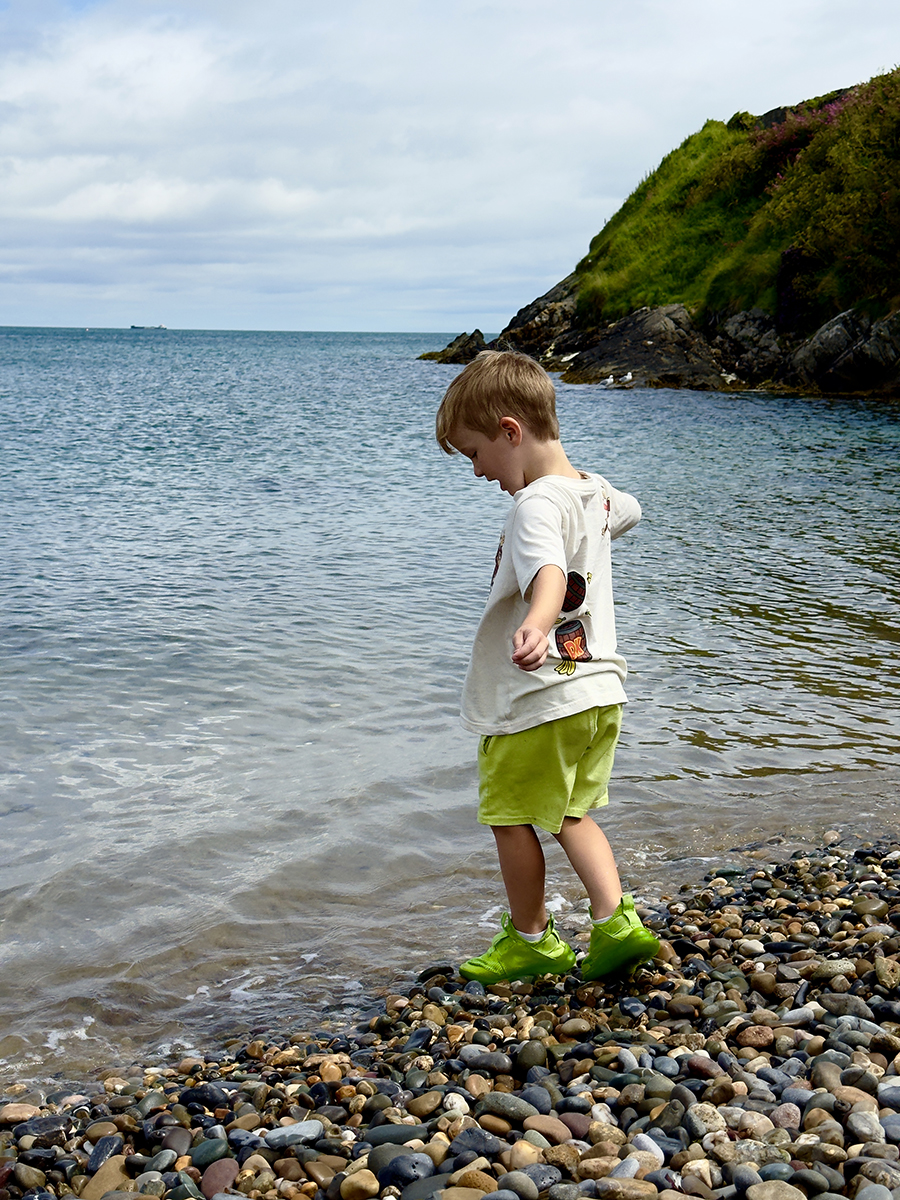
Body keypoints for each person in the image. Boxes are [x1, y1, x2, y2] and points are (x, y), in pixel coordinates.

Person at [435, 349, 659, 984]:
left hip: (538, 698)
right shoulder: (593, 494)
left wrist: (537, 621)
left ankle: (532, 938)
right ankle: (616, 923)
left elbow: (551, 573)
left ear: (511, 431)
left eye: (475, 453)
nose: (478, 471)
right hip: (598, 692)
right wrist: (588, 498)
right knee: (570, 813)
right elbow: (631, 509)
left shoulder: (534, 504)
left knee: (510, 818)